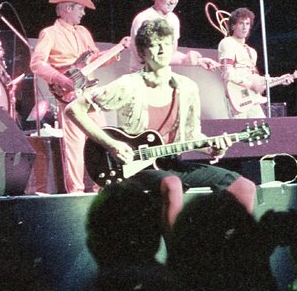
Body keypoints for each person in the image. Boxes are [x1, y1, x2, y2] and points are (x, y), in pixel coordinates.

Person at [67, 18, 256, 235]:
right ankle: (178, 255)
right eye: (154, 44)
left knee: (244, 187)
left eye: (166, 43)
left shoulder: (187, 88)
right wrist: (111, 144)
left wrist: (213, 147)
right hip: (135, 167)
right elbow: (74, 109)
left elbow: (191, 135)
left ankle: (234, 247)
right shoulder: (128, 84)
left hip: (170, 163)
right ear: (142, 52)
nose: (161, 50)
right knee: (172, 184)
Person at [30, 0, 125, 194]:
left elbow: (94, 59)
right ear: (67, 9)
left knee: (101, 139)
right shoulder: (50, 33)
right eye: (80, 8)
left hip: (88, 94)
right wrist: (59, 78)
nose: (83, 13)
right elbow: (37, 64)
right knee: (74, 146)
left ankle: (101, 187)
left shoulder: (84, 32)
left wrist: (117, 50)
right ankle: (76, 192)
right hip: (69, 95)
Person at [127, 0, 219, 71]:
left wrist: (197, 61)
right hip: (141, 76)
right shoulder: (142, 19)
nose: (173, 1)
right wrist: (184, 60)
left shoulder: (173, 19)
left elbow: (170, 54)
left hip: (162, 75)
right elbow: (145, 58)